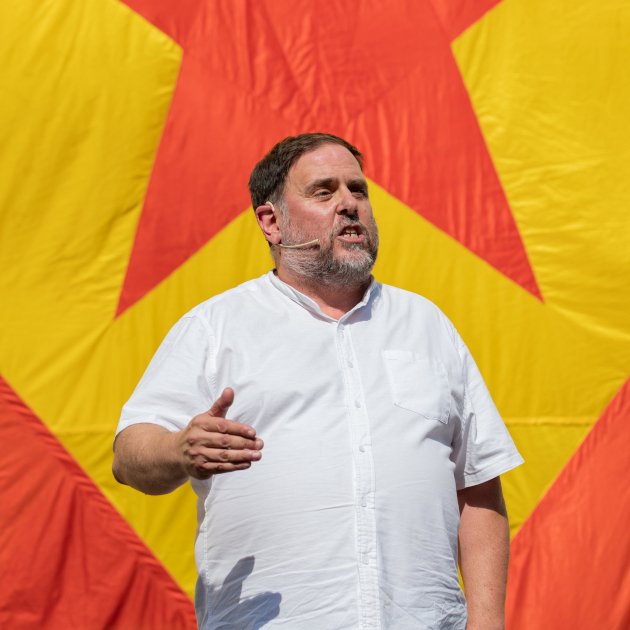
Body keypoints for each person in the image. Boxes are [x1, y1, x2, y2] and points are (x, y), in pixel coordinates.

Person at [113, 133, 523, 630]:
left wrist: (487, 622)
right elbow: (128, 455)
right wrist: (178, 449)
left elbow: (478, 485)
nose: (349, 204)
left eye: (358, 190)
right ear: (272, 222)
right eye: (323, 192)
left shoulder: (427, 325)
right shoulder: (216, 327)